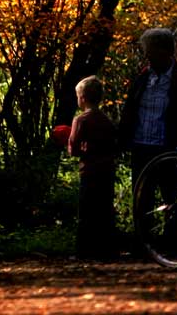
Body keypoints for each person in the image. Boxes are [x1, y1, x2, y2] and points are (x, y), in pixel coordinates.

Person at [119, 28, 177, 187]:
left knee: (172, 200)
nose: (147, 56)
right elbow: (129, 111)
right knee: (141, 201)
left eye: (151, 52)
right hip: (140, 149)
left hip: (168, 151)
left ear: (165, 51)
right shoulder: (143, 78)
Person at [68, 75, 118, 259]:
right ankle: (108, 249)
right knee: (105, 210)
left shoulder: (80, 120)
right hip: (107, 170)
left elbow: (73, 148)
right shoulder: (107, 120)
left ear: (81, 98)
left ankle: (84, 250)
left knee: (87, 211)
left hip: (89, 171)